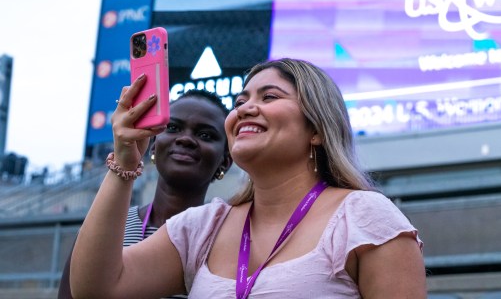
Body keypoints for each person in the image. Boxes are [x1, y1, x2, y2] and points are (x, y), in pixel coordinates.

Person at [70, 58, 427, 299]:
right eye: (241, 101)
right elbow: (96, 288)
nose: (244, 109)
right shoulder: (202, 227)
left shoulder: (364, 217)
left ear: (316, 129)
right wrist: (124, 162)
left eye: (269, 96)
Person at [59, 89, 232, 299]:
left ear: (225, 161)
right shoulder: (104, 229)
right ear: (153, 146)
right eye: (173, 128)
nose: (185, 139)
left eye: (205, 135)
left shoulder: (230, 239)